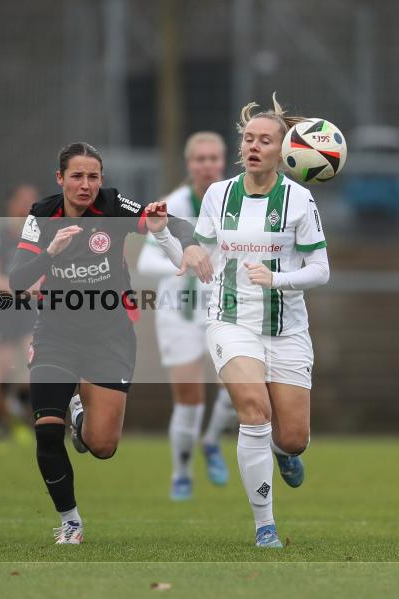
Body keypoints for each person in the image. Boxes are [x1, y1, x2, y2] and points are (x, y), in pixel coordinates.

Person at [148, 94, 329, 548]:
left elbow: (321, 270)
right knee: (253, 410)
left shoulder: (299, 200)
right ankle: (265, 526)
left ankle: (284, 452)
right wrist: (172, 240)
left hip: (287, 330)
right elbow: (199, 259)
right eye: (247, 139)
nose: (252, 146)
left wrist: (278, 279)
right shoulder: (219, 194)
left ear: (283, 149)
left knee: (293, 438)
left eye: (263, 140)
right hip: (230, 321)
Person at [8, 142, 211, 544]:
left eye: (93, 177)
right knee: (47, 431)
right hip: (55, 335)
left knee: (101, 446)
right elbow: (17, 281)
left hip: (109, 336)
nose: (86, 185)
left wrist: (185, 242)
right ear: (60, 178)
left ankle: (82, 417)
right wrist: (51, 252)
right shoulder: (42, 215)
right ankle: (70, 521)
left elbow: (167, 219)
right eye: (77, 176)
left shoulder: (115, 206)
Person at [136, 132, 237, 500]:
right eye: (200, 159)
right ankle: (181, 474)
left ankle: (211, 441)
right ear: (189, 164)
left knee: (237, 387)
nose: (208, 165)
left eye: (214, 158)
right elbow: (146, 260)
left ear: (223, 161)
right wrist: (187, 264)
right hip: (179, 313)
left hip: (225, 307)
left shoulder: (234, 199)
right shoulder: (172, 203)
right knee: (189, 397)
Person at [0, 184, 38, 443]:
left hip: (27, 312)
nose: (27, 207)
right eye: (22, 201)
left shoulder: (39, 240)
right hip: (1, 312)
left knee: (36, 365)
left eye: (32, 202)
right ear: (11, 204)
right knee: (0, 371)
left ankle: (15, 405)